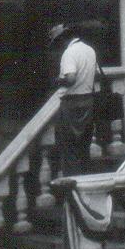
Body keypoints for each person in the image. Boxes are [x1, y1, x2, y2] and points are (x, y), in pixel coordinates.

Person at [50, 22, 98, 174]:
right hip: (88, 101)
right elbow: (95, 73)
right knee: (84, 147)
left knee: (69, 147)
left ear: (63, 39)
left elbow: (70, 78)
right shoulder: (89, 50)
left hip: (72, 103)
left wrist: (57, 80)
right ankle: (84, 180)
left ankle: (73, 181)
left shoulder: (69, 53)